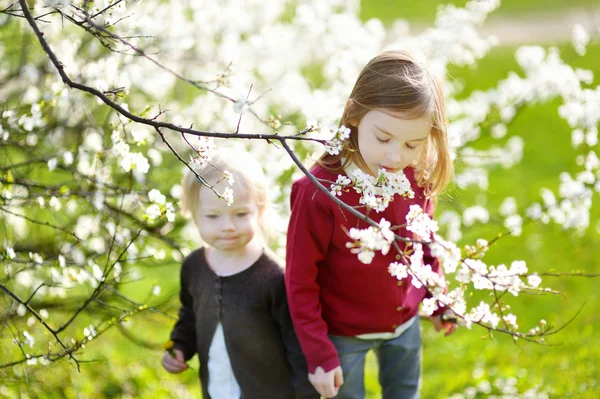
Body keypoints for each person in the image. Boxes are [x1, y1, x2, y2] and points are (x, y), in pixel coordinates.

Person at [285, 50, 458, 399]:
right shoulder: (320, 192)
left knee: (405, 392)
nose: (396, 157)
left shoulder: (417, 174)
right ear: (354, 114)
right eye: (383, 138)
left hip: (404, 324)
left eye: (412, 144)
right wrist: (318, 353)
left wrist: (437, 297)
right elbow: (300, 279)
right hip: (341, 334)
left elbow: (425, 242)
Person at [163, 149, 318, 399]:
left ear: (259, 209)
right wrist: (178, 347)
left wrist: (306, 395)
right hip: (216, 390)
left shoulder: (274, 278)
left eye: (241, 214)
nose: (228, 226)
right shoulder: (194, 267)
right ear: (193, 215)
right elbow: (189, 316)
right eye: (213, 216)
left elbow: (297, 345)